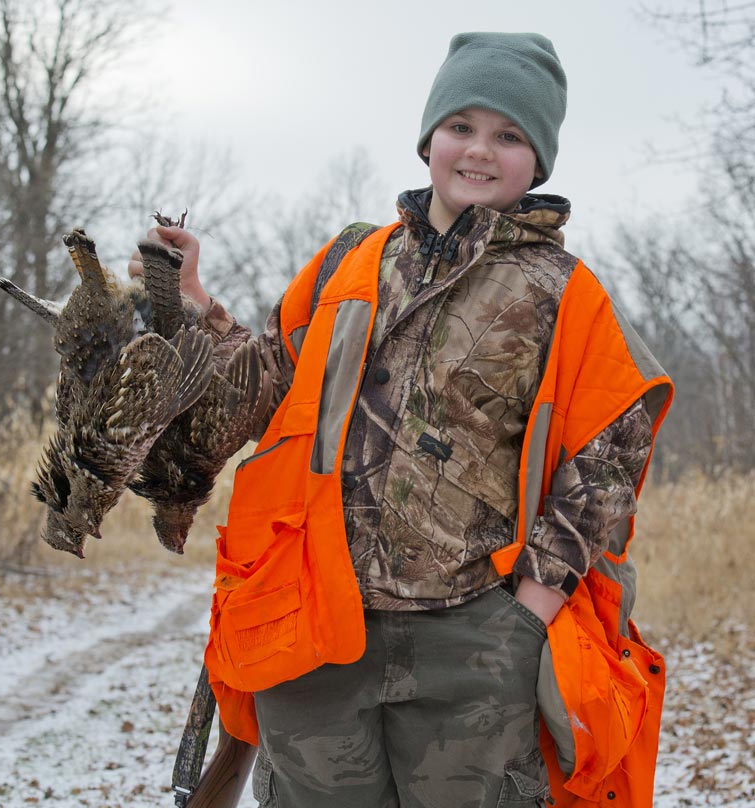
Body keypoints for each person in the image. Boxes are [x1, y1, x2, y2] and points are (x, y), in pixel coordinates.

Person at [130, 32, 673, 808]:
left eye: (508, 135)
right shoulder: (348, 262)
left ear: (538, 160)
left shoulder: (563, 292)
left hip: (471, 642)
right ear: (428, 140)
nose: (478, 151)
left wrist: (526, 617)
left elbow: (608, 462)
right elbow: (266, 395)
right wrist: (194, 302)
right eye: (461, 127)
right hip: (314, 624)